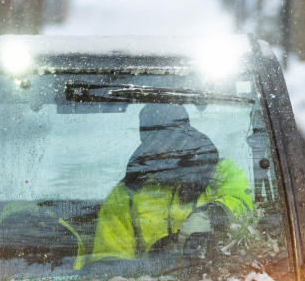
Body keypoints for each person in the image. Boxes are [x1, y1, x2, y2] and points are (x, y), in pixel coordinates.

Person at [92, 105, 252, 260]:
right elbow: (109, 260)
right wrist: (150, 263)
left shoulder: (220, 172)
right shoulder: (125, 194)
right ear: (145, 140)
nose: (163, 145)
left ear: (186, 134)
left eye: (170, 135)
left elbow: (243, 205)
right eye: (154, 136)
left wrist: (209, 216)